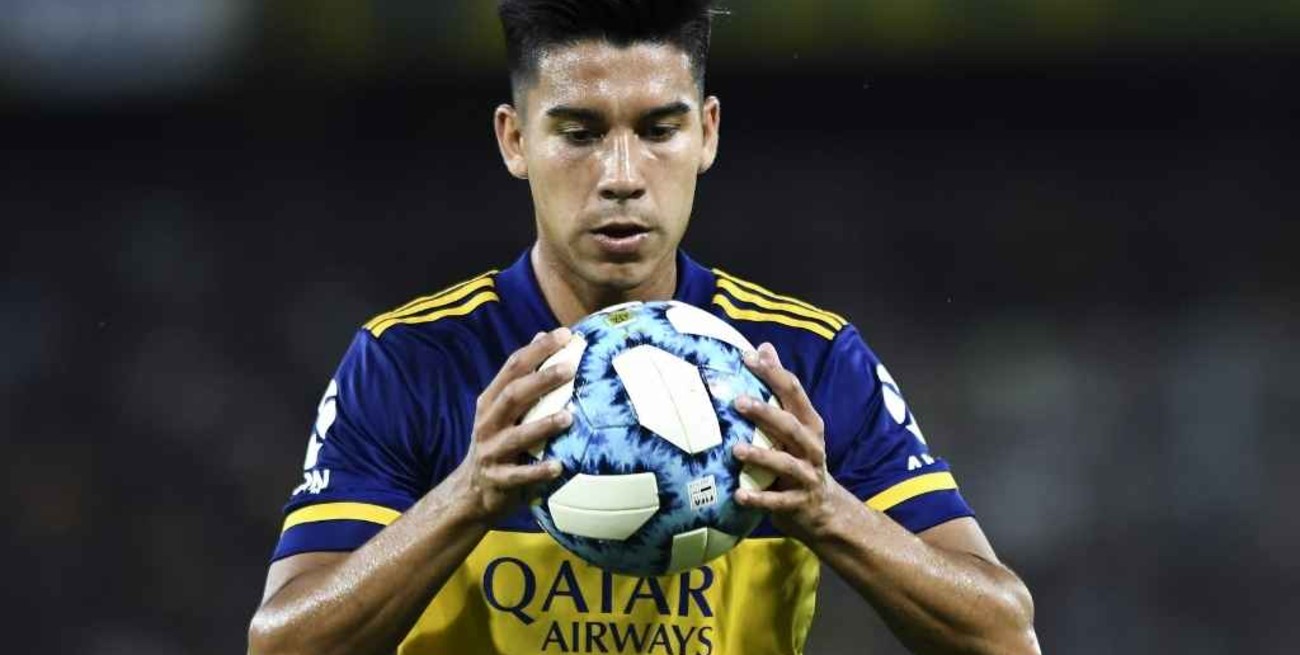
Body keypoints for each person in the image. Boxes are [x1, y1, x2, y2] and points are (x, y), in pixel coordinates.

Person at [247, 1, 1039, 653]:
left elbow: (1005, 633)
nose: (621, 177)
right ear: (515, 139)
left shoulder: (806, 361)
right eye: (580, 133)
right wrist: (466, 496)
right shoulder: (410, 361)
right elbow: (279, 643)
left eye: (659, 130)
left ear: (708, 133)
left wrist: (830, 509)